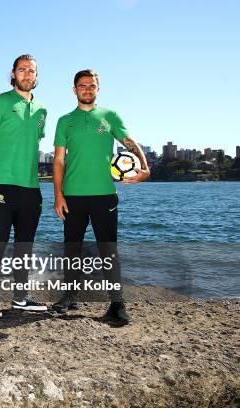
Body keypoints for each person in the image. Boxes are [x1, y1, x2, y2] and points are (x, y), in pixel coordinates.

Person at [52, 69, 150, 324]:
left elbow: (129, 141)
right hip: (73, 196)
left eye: (92, 85)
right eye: (82, 86)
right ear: (74, 90)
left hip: (104, 196)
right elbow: (59, 160)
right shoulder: (64, 121)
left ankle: (117, 304)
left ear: (98, 89)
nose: (87, 89)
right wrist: (58, 196)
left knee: (109, 249)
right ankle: (69, 296)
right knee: (71, 248)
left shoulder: (110, 116)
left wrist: (145, 167)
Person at [0, 54, 48, 317]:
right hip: (4, 184)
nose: (27, 74)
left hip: (31, 186)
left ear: (37, 76)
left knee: (25, 244)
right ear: (13, 74)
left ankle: (21, 296)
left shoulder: (42, 110)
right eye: (22, 70)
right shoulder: (0, 102)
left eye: (32, 71)